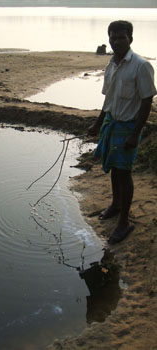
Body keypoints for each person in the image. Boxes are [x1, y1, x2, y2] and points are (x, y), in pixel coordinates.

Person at [88, 20, 156, 244]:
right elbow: (108, 98)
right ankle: (116, 206)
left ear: (131, 39)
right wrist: (98, 124)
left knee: (124, 173)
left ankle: (124, 222)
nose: (116, 42)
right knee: (115, 170)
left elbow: (146, 101)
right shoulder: (111, 64)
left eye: (121, 38)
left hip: (128, 126)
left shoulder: (141, 66)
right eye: (113, 37)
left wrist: (135, 133)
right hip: (111, 123)